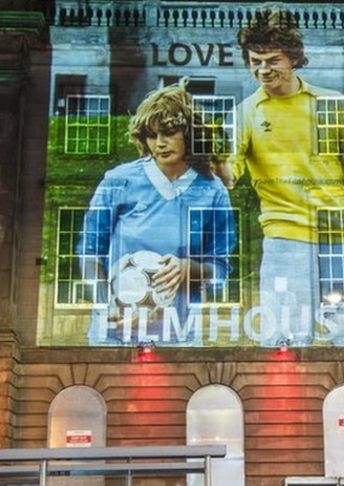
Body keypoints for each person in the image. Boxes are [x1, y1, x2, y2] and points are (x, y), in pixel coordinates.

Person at [223, 9, 344, 347]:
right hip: (284, 243)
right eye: (254, 61)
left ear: (293, 58)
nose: (262, 70)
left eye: (272, 60)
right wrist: (207, 159)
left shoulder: (333, 105)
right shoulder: (245, 114)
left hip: (341, 241)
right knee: (283, 348)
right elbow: (228, 175)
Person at [78, 80, 236, 345]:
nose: (160, 143)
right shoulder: (118, 181)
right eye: (152, 135)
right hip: (116, 336)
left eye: (169, 132)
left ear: (190, 133)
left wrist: (187, 269)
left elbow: (220, 269)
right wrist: (107, 304)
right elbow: (90, 251)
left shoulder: (213, 191)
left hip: (180, 335)